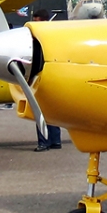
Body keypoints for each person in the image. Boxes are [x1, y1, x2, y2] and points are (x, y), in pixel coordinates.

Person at [28, 9, 62, 151]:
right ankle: (55, 141)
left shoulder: (36, 42)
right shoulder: (54, 38)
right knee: (51, 110)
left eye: (37, 21)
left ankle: (44, 142)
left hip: (41, 78)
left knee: (41, 111)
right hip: (52, 76)